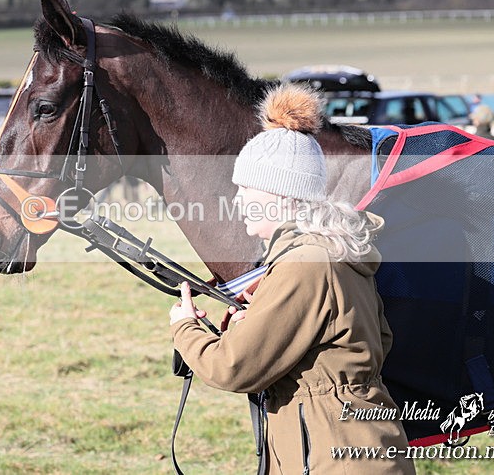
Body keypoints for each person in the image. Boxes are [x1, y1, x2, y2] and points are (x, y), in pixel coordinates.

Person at [169, 84, 415, 474]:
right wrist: (267, 315)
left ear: (281, 194)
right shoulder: (333, 250)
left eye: (246, 188)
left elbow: (234, 367)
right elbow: (374, 341)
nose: (239, 200)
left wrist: (185, 328)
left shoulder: (305, 263)